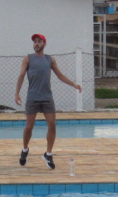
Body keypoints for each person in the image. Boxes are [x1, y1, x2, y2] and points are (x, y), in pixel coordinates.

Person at [14, 33, 82, 169]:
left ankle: (48, 154)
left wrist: (73, 84)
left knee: (52, 125)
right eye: (35, 42)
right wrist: (17, 93)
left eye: (39, 42)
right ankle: (25, 149)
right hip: (32, 97)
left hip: (47, 98)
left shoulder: (50, 60)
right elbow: (21, 75)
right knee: (29, 127)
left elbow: (60, 75)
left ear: (44, 44)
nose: (36, 44)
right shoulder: (28, 59)